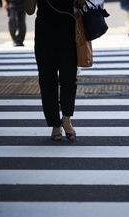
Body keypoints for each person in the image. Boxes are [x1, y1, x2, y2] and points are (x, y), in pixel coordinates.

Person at [25, 0, 85, 141]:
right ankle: (54, 124)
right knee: (47, 80)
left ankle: (66, 119)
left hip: (69, 31)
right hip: (44, 33)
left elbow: (82, 3)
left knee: (69, 78)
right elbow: (29, 10)